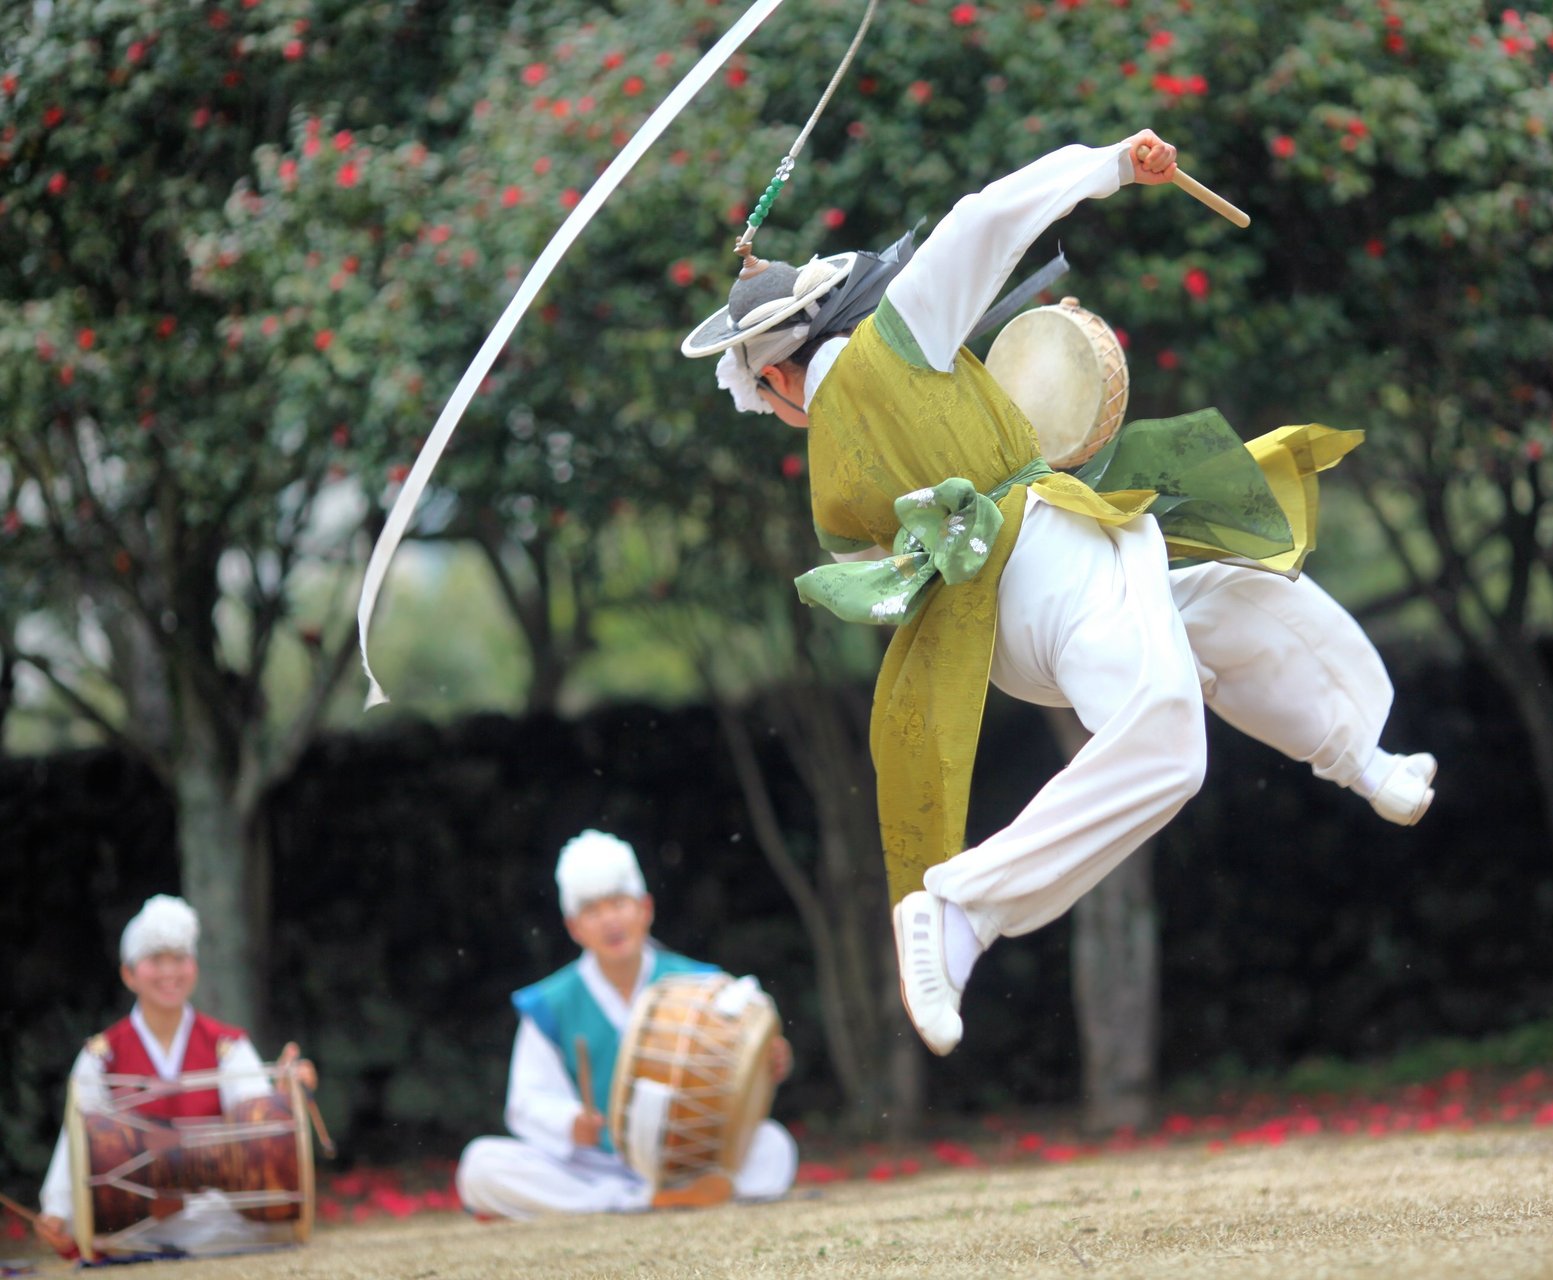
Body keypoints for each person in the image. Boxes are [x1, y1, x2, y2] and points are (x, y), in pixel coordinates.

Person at [681, 128, 1438, 1057]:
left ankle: (1360, 753)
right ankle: (960, 911)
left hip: (995, 635)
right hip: (1048, 552)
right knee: (1167, 738)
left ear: (778, 377)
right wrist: (1113, 162)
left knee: (1213, 603)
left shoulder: (828, 468)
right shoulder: (898, 334)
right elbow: (987, 217)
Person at [455, 831, 797, 1218]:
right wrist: (570, 1124)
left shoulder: (700, 985)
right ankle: (634, 1201)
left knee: (773, 1145)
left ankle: (659, 1195)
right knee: (481, 1164)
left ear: (645, 909)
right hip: (592, 1166)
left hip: (689, 1158)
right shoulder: (550, 1004)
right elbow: (526, 1102)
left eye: (619, 904)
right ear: (574, 928)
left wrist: (770, 1060)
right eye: (593, 911)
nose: (610, 921)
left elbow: (746, 1054)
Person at [35, 895, 317, 1259]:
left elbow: (257, 1128)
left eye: (179, 959)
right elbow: (75, 1137)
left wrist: (279, 1100)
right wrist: (58, 1210)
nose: (170, 973)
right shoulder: (101, 1056)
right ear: (129, 974)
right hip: (134, 1222)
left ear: (194, 968)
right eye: (156, 961)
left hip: (220, 1218)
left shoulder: (226, 1046)